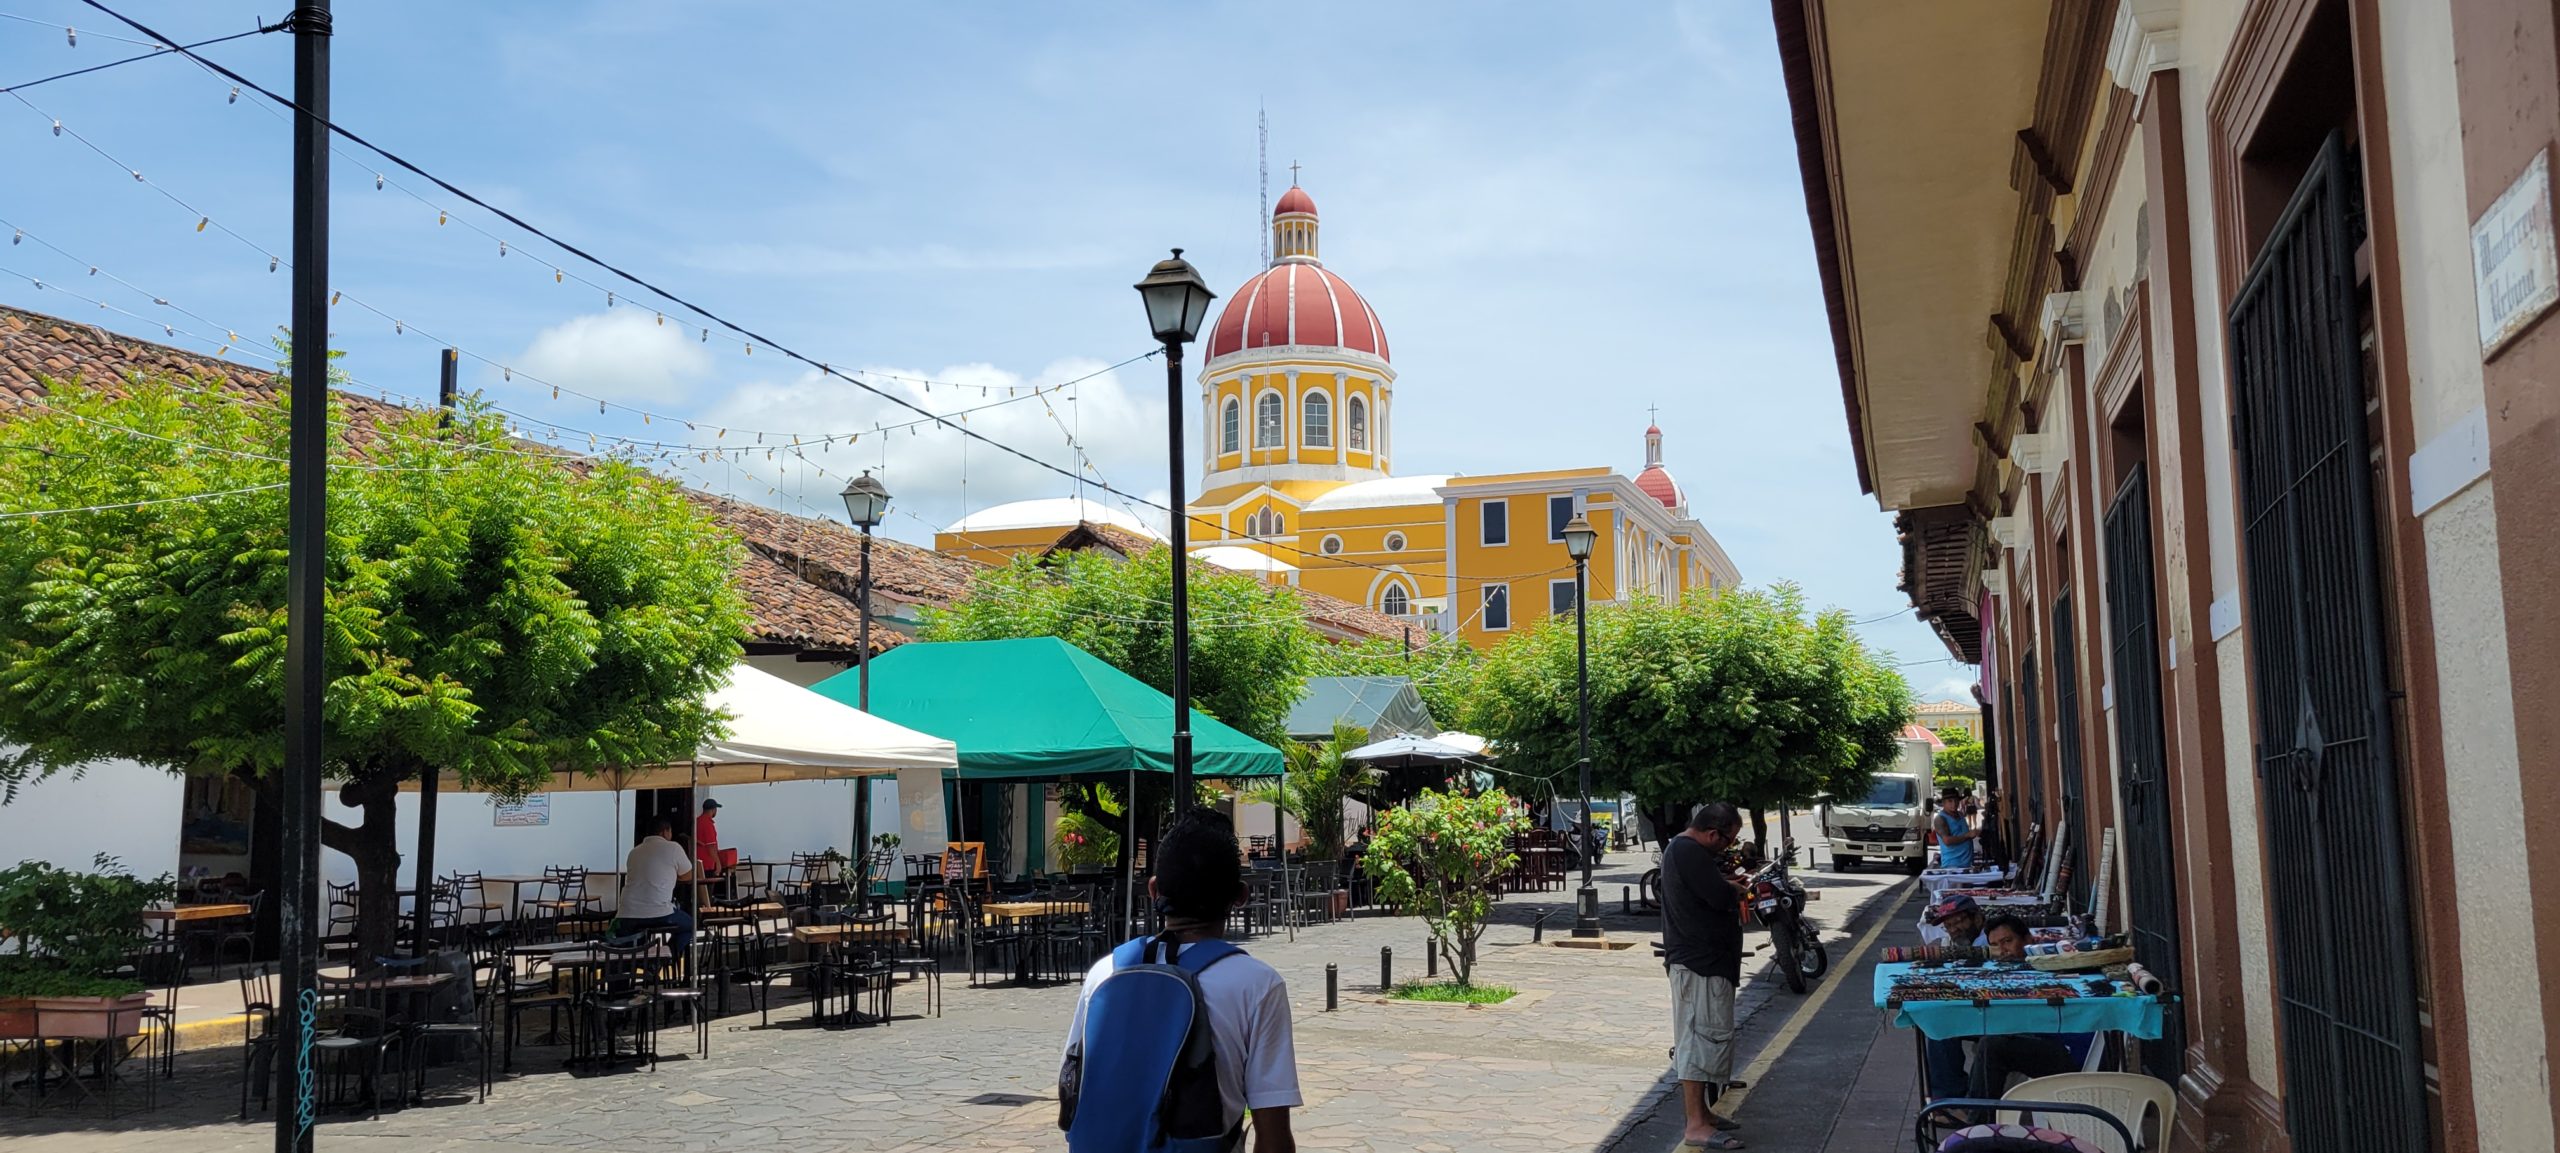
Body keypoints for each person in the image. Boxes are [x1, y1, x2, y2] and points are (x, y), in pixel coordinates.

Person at [1062, 812, 1299, 1152]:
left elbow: (1074, 1089)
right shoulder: (1257, 985)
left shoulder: (1105, 972)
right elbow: (1273, 1135)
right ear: (1241, 895)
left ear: (1154, 889)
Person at [1662, 801, 1747, 1150]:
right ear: (1713, 833)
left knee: (1705, 1038)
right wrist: (1734, 890)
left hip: (1705, 963)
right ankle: (1696, 1124)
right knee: (1699, 1040)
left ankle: (1703, 1114)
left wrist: (1725, 884)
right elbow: (1716, 895)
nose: (1728, 848)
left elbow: (1705, 890)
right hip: (1700, 965)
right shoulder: (1689, 852)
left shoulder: (1685, 851)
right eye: (1728, 841)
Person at [1964, 915, 2085, 1102]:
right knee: (1942, 1029)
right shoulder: (2009, 972)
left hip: (2069, 1050)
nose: (2002, 951)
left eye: (2008, 941)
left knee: (1992, 1046)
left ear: (2028, 940)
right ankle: (1951, 1098)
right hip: (2037, 1034)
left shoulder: (2049, 967)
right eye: (1995, 945)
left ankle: (1977, 1115)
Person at [1921, 894, 1990, 1100]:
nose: (1954, 930)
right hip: (1977, 1007)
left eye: (1959, 922)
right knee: (1939, 1027)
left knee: (1942, 1028)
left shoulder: (1993, 938)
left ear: (1977, 918)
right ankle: (1949, 1098)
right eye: (1949, 926)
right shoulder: (1959, 945)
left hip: (1998, 1011)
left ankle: (1950, 1098)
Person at [619, 817, 695, 954]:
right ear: (664, 832)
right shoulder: (673, 848)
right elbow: (688, 875)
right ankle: (667, 955)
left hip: (627, 912)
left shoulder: (634, 852)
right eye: (670, 831)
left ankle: (643, 961)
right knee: (690, 925)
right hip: (658, 912)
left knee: (635, 947)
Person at [1933, 788, 1978, 871]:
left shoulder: (1960, 815)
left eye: (1956, 800)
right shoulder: (1940, 819)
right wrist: (1967, 835)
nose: (1954, 804)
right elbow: (1947, 840)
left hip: (1967, 864)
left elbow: (1963, 834)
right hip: (1952, 866)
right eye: (1950, 801)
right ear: (1943, 803)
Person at [694, 797, 724, 878]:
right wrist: (718, 863)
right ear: (713, 809)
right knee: (709, 886)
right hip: (707, 864)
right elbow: (711, 847)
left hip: (696, 862)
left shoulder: (696, 821)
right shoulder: (708, 823)